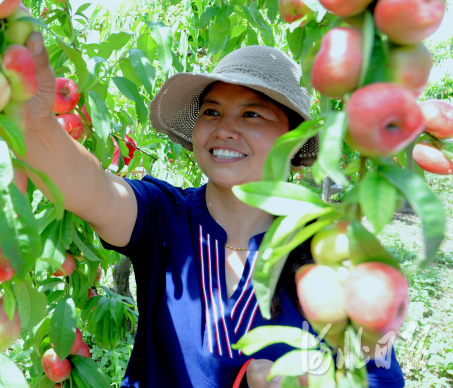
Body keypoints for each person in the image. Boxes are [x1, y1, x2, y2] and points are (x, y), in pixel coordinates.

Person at [20, 32, 405, 388]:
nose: (224, 129)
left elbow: (375, 372)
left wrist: (306, 379)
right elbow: (94, 189)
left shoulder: (331, 248)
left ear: (293, 140)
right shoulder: (163, 217)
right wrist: (35, 124)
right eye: (212, 112)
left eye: (252, 113)